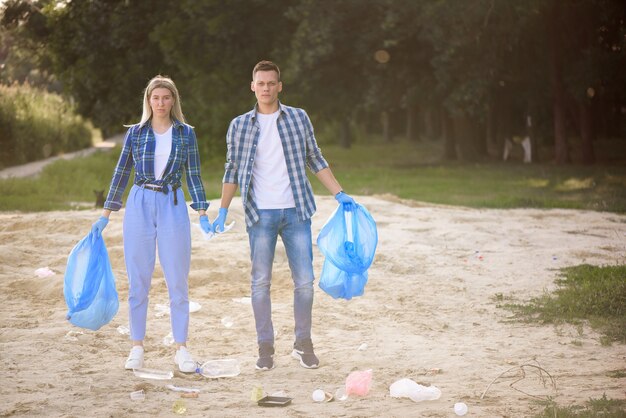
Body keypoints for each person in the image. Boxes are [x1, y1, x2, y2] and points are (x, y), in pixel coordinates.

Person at [212, 60, 355, 370]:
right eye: (260, 83)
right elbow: (232, 170)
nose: (265, 88)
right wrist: (222, 210)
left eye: (271, 83)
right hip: (259, 214)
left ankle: (303, 343)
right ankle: (265, 347)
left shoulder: (298, 118)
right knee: (260, 283)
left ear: (279, 86)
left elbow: (315, 158)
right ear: (253, 86)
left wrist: (339, 193)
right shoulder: (239, 125)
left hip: (296, 212)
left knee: (304, 281)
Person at [91, 75, 213, 372]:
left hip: (172, 204)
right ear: (148, 101)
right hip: (139, 204)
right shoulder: (135, 133)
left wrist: (203, 212)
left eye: (166, 98)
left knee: (177, 280)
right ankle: (136, 347)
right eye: (155, 98)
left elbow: (193, 174)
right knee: (138, 281)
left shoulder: (186, 134)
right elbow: (121, 173)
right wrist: (106, 213)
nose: (160, 103)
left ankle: (181, 349)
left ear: (174, 101)